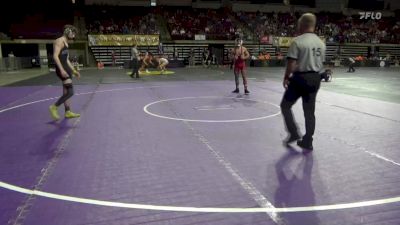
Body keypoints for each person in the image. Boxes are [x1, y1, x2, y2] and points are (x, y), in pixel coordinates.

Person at [280, 13, 326, 151]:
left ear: (302, 24)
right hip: (315, 79)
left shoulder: (297, 41)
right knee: (309, 111)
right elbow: (320, 64)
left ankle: (294, 132)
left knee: (285, 105)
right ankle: (308, 141)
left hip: (300, 78)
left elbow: (291, 63)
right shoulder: (321, 43)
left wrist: (287, 77)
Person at [49, 25, 81, 120]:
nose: (74, 36)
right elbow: (55, 56)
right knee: (70, 92)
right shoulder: (59, 41)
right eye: (73, 33)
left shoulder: (66, 43)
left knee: (66, 91)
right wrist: (62, 70)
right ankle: (54, 107)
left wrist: (74, 71)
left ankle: (67, 112)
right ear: (68, 32)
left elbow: (66, 59)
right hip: (61, 69)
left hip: (66, 68)